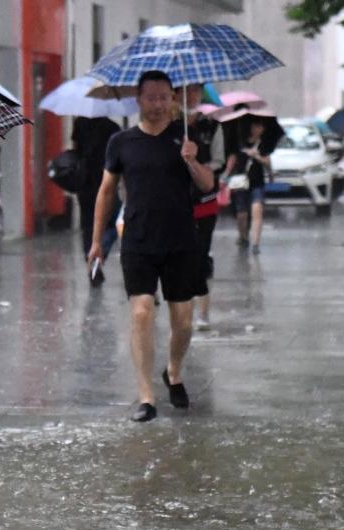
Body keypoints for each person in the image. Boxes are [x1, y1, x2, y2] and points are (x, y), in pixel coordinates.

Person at [89, 71, 214, 423]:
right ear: (139, 100)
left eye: (164, 97)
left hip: (181, 241)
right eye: (151, 97)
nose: (158, 104)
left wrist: (191, 160)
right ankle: (146, 396)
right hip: (138, 240)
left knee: (183, 321)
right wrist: (97, 241)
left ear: (173, 99)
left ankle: (173, 372)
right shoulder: (121, 142)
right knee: (142, 312)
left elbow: (208, 186)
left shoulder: (185, 138)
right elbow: (106, 192)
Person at [178, 84, 226, 331]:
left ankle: (202, 312)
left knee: (200, 255)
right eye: (186, 91)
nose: (191, 95)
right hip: (175, 203)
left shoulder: (213, 127)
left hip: (204, 202)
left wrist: (198, 166)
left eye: (196, 90)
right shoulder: (169, 127)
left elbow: (219, 161)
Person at [72, 116, 121, 285]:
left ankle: (92, 257)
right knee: (117, 221)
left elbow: (76, 150)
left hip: (85, 183)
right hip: (105, 182)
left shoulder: (79, 123)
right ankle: (98, 256)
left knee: (88, 225)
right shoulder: (113, 127)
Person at [223, 114, 271, 256]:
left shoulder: (263, 144)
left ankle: (256, 243)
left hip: (257, 182)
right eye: (256, 125)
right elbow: (232, 158)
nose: (259, 129)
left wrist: (256, 156)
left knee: (257, 210)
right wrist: (226, 174)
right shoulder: (239, 141)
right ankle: (243, 236)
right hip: (240, 182)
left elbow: (268, 161)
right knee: (242, 214)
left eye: (261, 126)